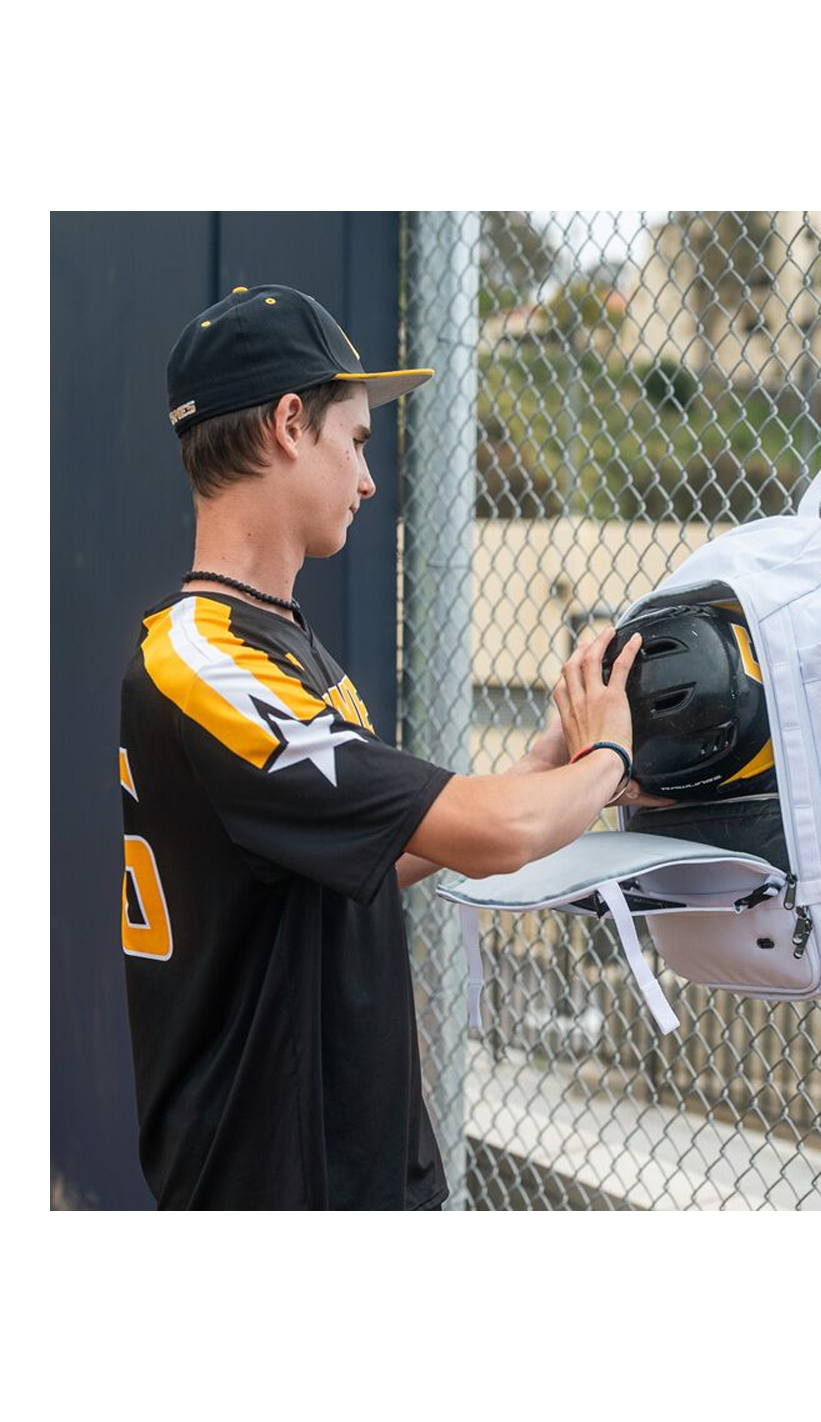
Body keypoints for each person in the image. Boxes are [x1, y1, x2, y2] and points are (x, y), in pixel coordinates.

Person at [118, 283, 653, 1210]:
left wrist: (538, 771)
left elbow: (354, 855)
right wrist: (610, 758)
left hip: (346, 1165)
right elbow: (498, 836)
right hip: (274, 1188)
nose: (369, 480)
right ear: (290, 424)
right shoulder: (207, 662)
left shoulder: (268, 640)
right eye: (358, 441)